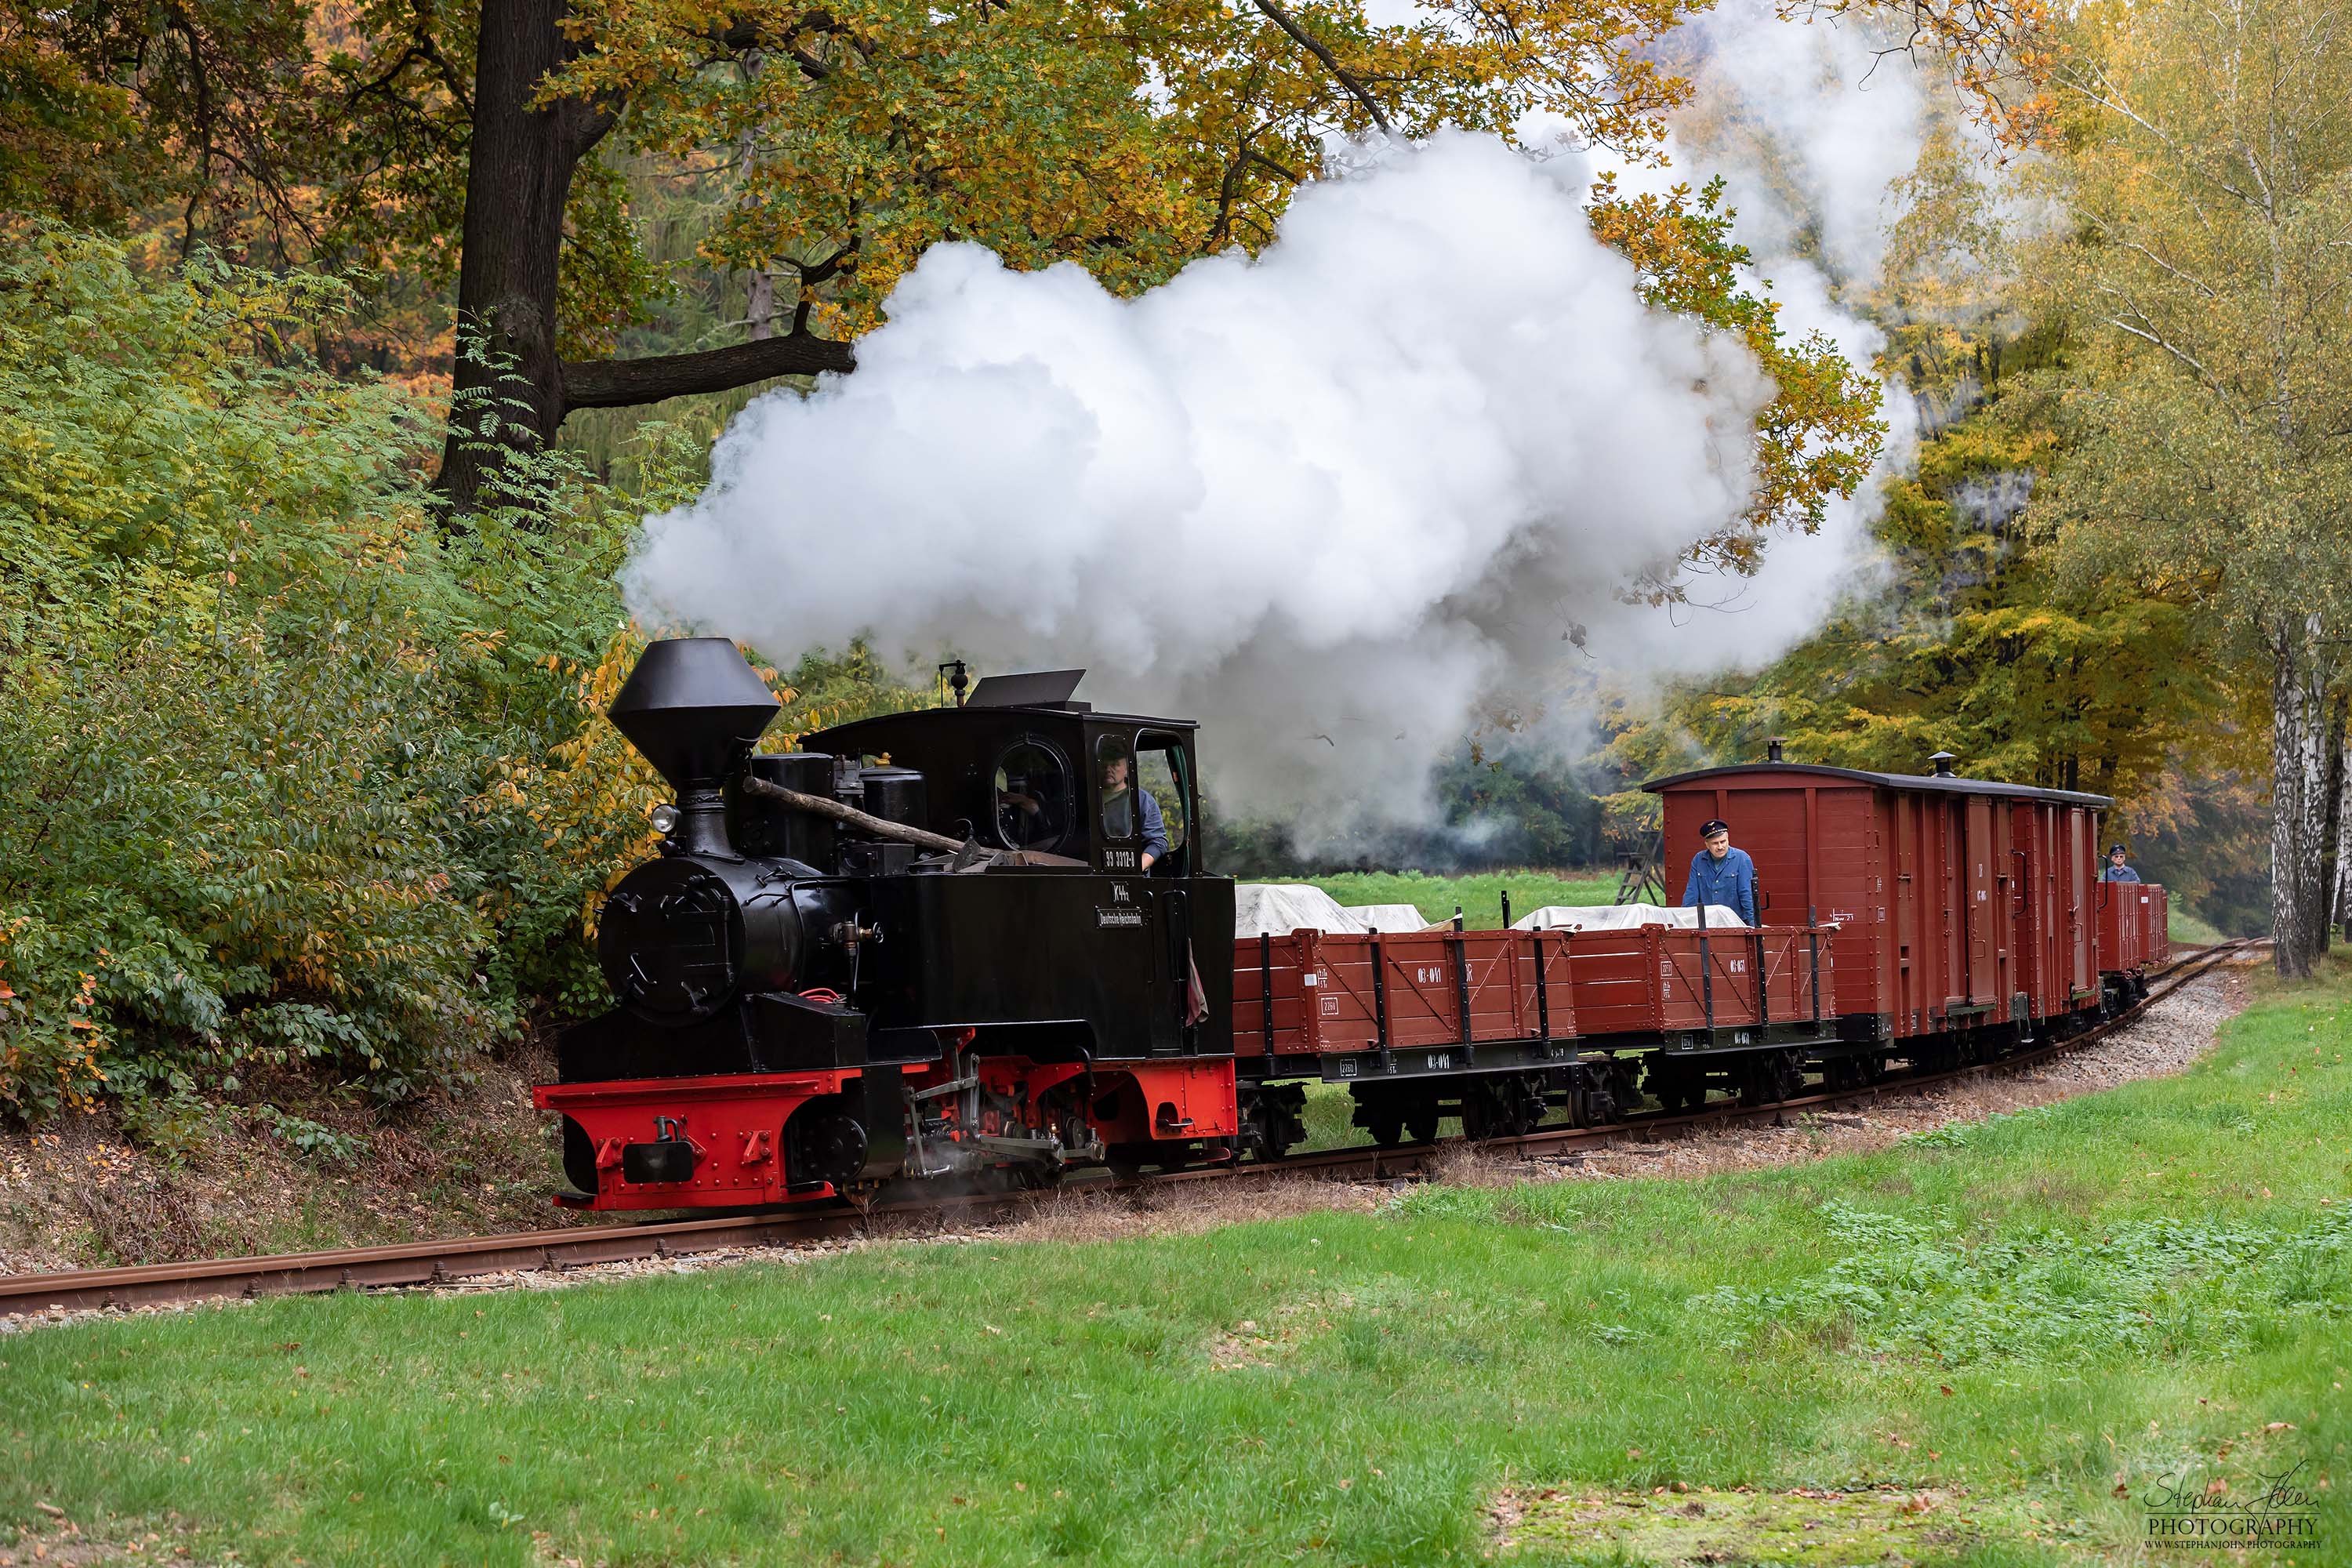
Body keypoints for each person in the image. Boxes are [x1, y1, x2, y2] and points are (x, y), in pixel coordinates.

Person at [1101, 753, 1171, 871]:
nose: (1108, 769)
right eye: (1104, 765)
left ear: (1127, 769)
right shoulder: (1086, 798)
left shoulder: (1142, 800)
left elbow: (1158, 842)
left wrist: (1137, 868)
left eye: (1114, 765)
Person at [1681, 818, 1758, 925]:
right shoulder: (1698, 860)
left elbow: (1747, 895)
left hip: (1736, 923)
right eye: (1715, 843)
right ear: (1707, 844)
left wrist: (1754, 927)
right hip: (1707, 924)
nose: (1720, 847)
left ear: (1728, 840)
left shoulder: (1742, 859)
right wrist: (1683, 922)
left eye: (1723, 842)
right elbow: (1691, 894)